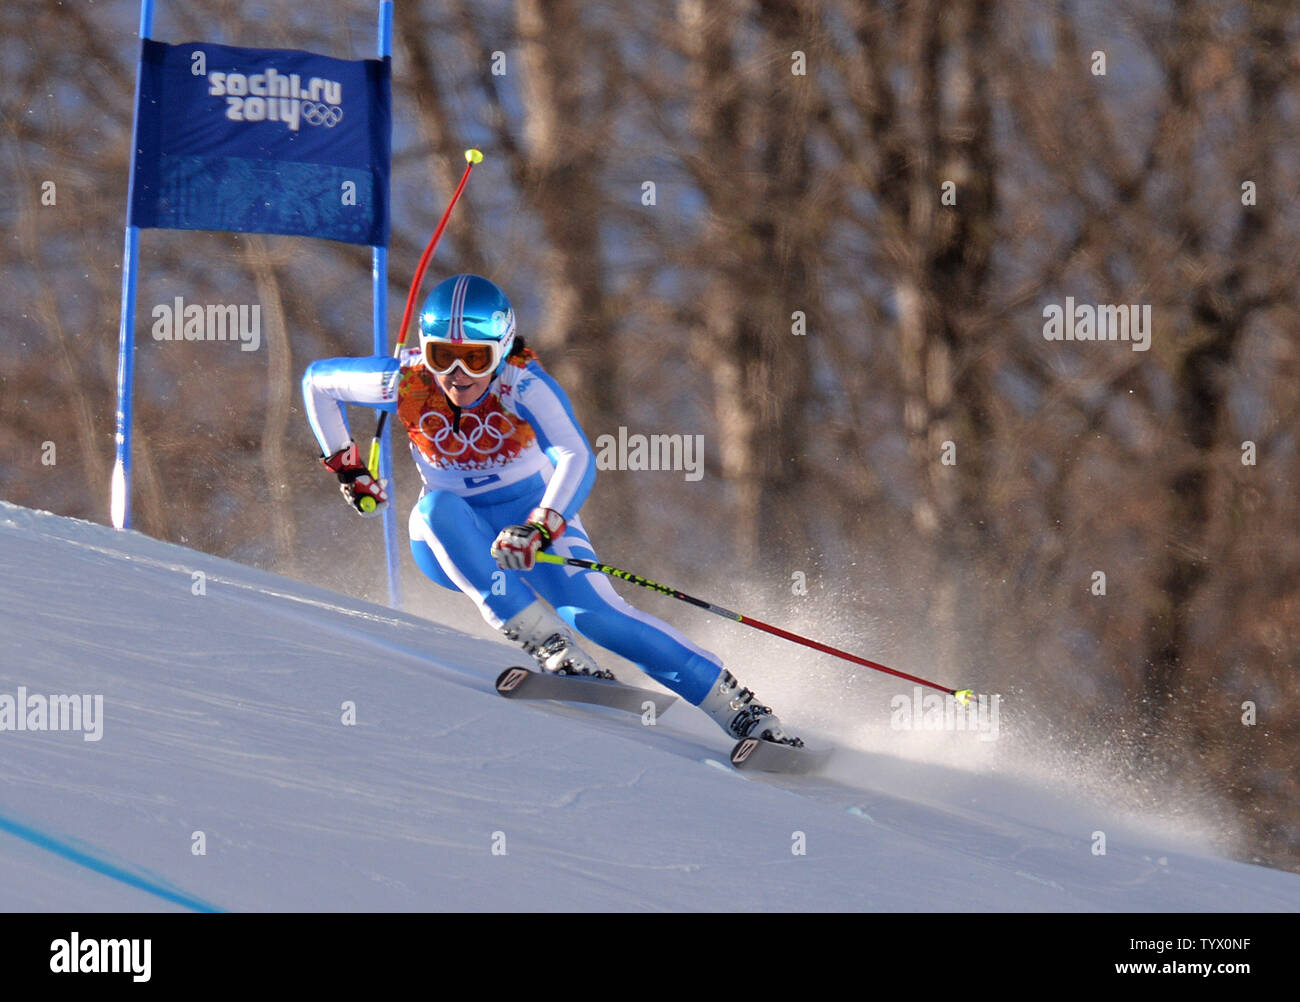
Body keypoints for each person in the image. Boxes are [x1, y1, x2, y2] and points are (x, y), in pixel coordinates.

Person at [301, 273, 801, 747]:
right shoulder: (406, 382)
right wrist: (346, 465)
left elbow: (577, 455)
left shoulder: (520, 385)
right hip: (453, 543)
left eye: (475, 359)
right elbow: (317, 382)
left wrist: (540, 525)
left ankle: (743, 712)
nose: (456, 377)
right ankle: (550, 646)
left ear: (501, 351)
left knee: (599, 619)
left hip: (530, 527)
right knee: (436, 509)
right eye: (442, 357)